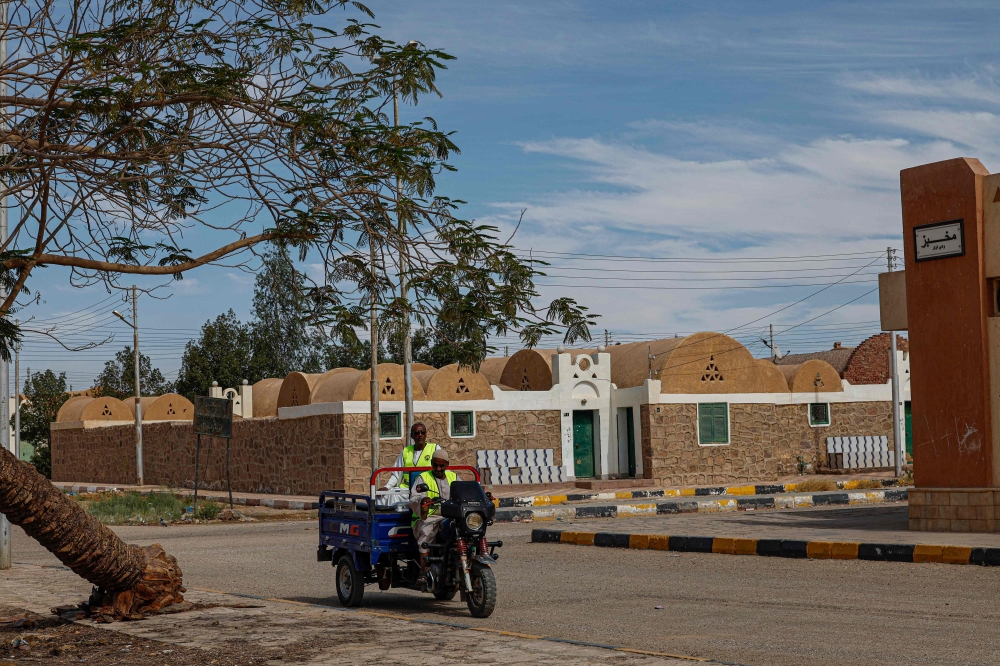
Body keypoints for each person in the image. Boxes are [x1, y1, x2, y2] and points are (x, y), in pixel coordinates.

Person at [408, 448, 457, 584]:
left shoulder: (454, 477)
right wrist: (423, 501)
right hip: (428, 517)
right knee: (427, 533)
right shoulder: (423, 478)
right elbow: (414, 498)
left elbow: (463, 492)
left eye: (442, 465)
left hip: (450, 516)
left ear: (447, 464)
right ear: (431, 463)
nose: (438, 468)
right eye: (435, 465)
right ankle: (423, 571)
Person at [382, 422, 440, 491]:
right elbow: (396, 474)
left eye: (423, 433)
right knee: (383, 496)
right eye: (416, 433)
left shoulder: (435, 448)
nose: (420, 435)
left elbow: (442, 470)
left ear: (426, 435)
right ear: (412, 436)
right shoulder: (405, 451)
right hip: (407, 489)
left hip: (427, 488)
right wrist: (387, 486)